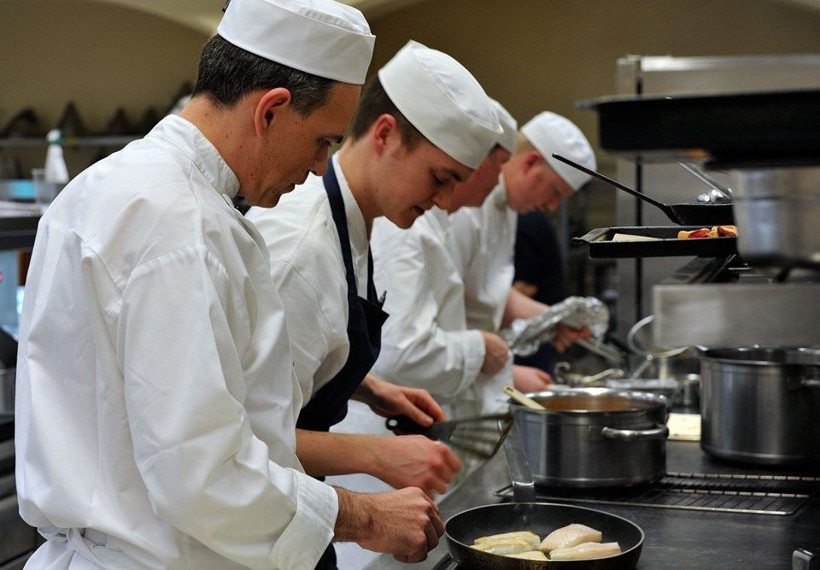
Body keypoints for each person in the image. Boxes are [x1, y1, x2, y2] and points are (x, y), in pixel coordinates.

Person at [14, 1, 444, 568]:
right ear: (271, 110)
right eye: (321, 142)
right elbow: (202, 474)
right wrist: (364, 515)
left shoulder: (115, 187)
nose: (320, 169)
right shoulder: (180, 224)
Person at [245, 40, 502, 570]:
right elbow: (246, 439)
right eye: (440, 178)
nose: (445, 202)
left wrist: (367, 387)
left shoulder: (355, 224)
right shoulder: (301, 247)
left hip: (296, 515)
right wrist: (378, 456)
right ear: (384, 134)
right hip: (258, 533)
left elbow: (293, 356)